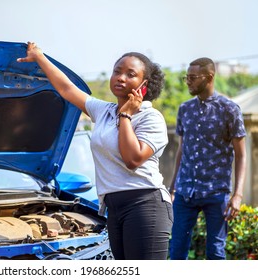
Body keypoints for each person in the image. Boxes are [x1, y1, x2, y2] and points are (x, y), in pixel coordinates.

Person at [17, 42, 172, 260]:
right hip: (113, 207)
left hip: (145, 204)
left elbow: (133, 158)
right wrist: (39, 57)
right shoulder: (105, 111)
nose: (120, 78)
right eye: (117, 71)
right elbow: (67, 89)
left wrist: (126, 116)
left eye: (130, 74)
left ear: (144, 85)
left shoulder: (150, 117)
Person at [169, 57, 247, 260]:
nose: (188, 81)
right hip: (185, 192)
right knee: (176, 249)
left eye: (193, 77)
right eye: (187, 77)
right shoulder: (184, 109)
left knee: (216, 252)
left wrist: (237, 195)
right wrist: (172, 188)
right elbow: (181, 149)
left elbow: (241, 155)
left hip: (216, 193)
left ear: (209, 77)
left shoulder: (230, 110)